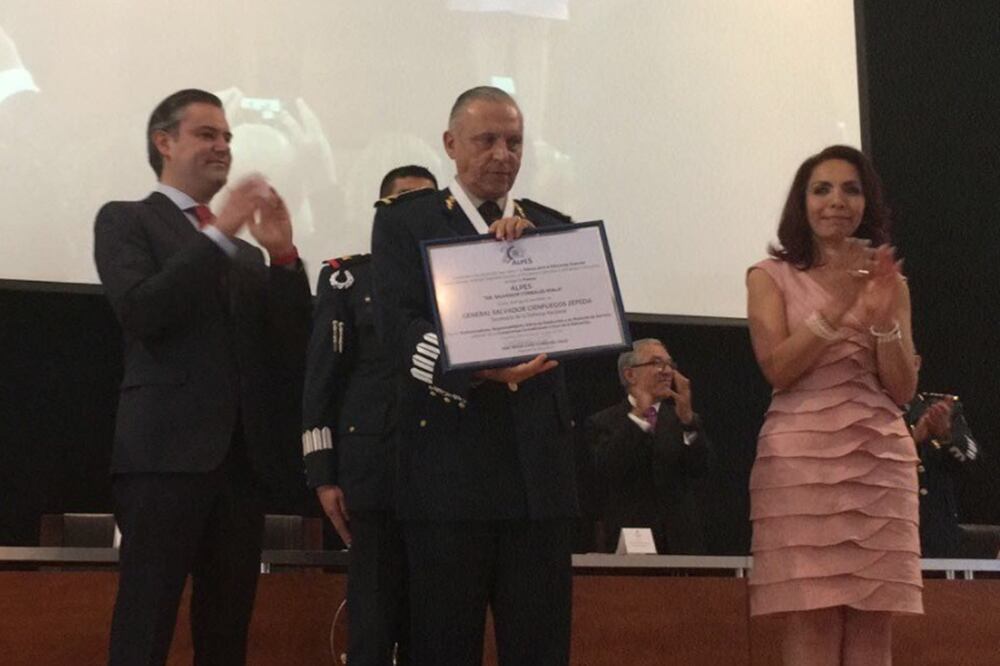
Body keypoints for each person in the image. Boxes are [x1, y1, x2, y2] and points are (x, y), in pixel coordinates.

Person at [93, 88, 311, 666]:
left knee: (226, 630)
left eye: (227, 138)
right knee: (145, 621)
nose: (223, 147)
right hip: (163, 458)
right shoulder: (127, 220)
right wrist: (218, 235)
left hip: (240, 465)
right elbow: (144, 310)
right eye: (207, 135)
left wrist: (284, 259)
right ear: (163, 142)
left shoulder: (243, 255)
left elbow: (291, 349)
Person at [371, 86, 577, 666]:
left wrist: (540, 268)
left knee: (540, 648)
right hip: (447, 475)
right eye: (487, 140)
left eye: (513, 142)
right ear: (450, 144)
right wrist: (473, 365)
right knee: (441, 645)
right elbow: (398, 329)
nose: (502, 155)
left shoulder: (550, 228)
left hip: (539, 478)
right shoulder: (405, 223)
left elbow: (578, 324)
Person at [745, 144, 922, 666]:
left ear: (868, 202)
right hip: (801, 460)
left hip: (880, 458)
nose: (836, 201)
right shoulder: (768, 275)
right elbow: (778, 368)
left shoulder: (893, 282)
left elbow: (902, 389)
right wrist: (842, 299)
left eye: (851, 189)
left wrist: (886, 320)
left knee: (873, 621)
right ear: (801, 204)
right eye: (821, 189)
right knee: (812, 616)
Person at [301, 165, 437, 666]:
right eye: (402, 204)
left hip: (445, 472)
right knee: (373, 625)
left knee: (438, 623)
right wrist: (323, 474)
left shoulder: (458, 274)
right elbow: (322, 381)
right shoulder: (347, 276)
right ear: (381, 212)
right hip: (373, 471)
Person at [586, 338, 711, 554]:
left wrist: (689, 422)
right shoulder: (603, 422)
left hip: (680, 545)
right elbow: (606, 470)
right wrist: (638, 418)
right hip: (628, 543)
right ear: (630, 374)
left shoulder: (682, 419)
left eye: (670, 364)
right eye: (656, 363)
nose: (666, 371)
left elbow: (702, 467)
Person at [904, 379, 979, 557]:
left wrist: (946, 436)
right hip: (883, 533)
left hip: (936, 537)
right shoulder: (867, 409)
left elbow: (973, 461)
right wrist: (912, 439)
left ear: (916, 364)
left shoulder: (937, 407)